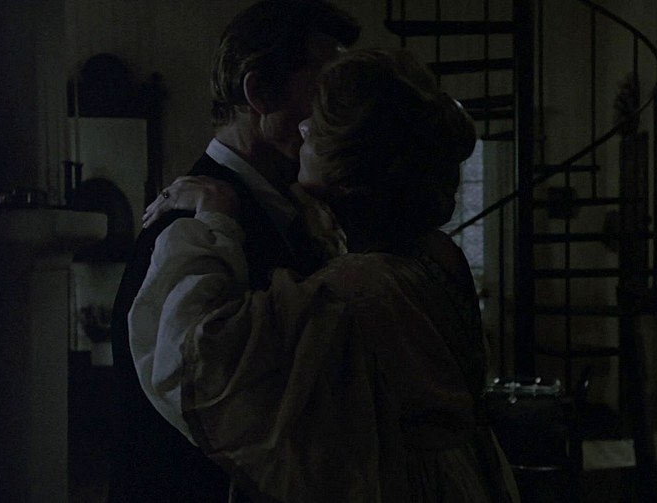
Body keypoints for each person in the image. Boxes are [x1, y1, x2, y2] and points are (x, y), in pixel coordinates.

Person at [130, 47, 520, 502]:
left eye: (316, 129)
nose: (302, 128)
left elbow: (199, 362)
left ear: (352, 174)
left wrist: (216, 220)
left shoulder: (358, 290)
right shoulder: (430, 252)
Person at [107, 1, 359, 501]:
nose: (336, 114)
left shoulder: (287, 210)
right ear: (260, 92)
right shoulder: (188, 227)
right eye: (323, 90)